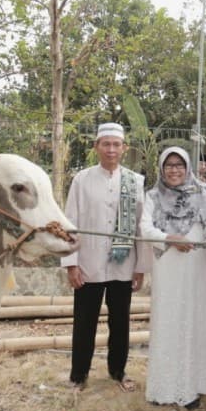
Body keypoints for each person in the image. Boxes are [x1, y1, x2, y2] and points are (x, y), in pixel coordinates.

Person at [61, 122, 151, 392]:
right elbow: (70, 221)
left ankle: (118, 370)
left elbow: (140, 226)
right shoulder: (82, 179)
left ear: (124, 148)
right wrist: (71, 264)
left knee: (121, 321)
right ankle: (78, 376)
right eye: (106, 144)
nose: (111, 149)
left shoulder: (135, 181)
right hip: (87, 263)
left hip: (123, 265)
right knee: (84, 321)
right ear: (96, 147)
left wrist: (141, 267)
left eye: (116, 144)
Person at [140, 146, 206, 410]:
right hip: (169, 265)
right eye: (169, 165)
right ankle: (165, 387)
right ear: (161, 169)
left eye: (179, 165)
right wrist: (169, 238)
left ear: (188, 168)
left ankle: (193, 387)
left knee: (195, 319)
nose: (174, 170)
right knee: (169, 321)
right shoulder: (152, 195)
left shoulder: (203, 192)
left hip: (197, 265)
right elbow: (144, 227)